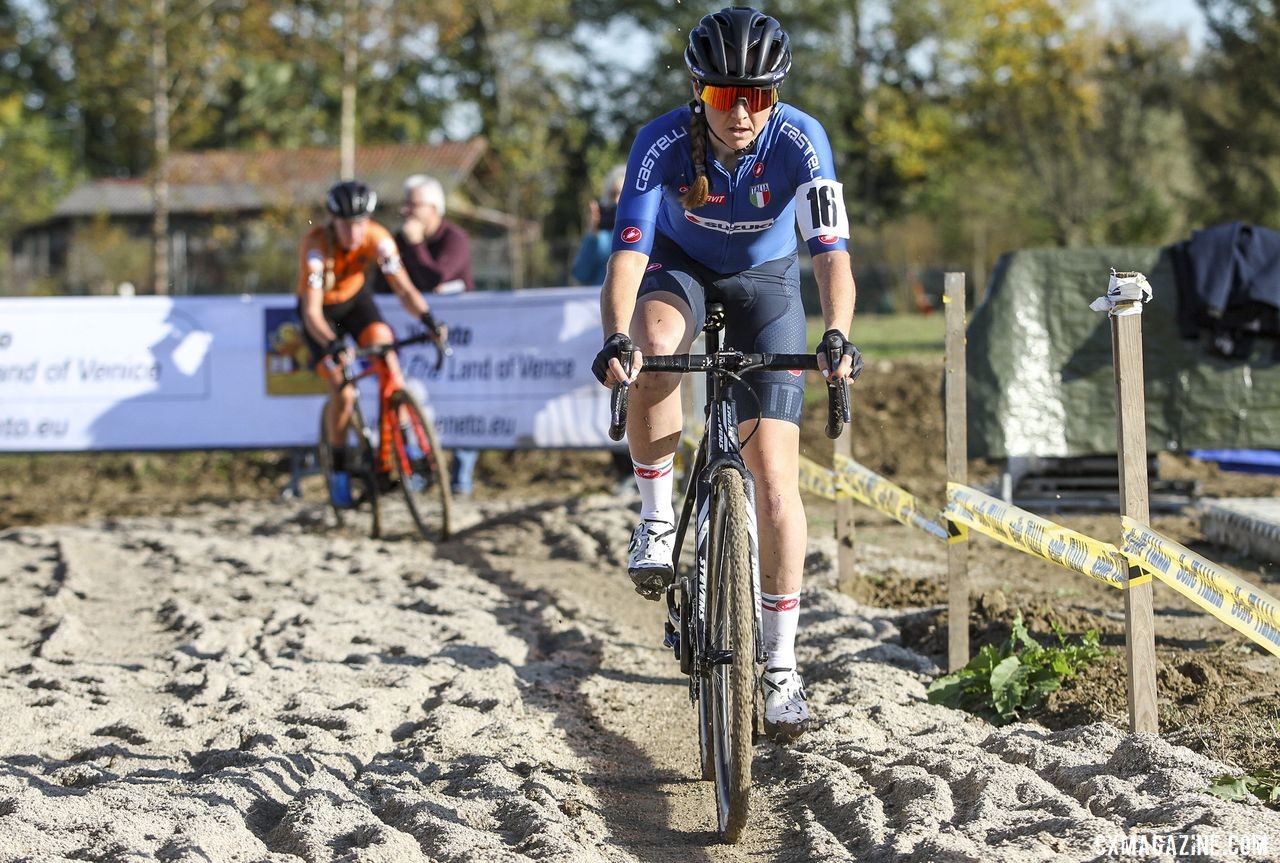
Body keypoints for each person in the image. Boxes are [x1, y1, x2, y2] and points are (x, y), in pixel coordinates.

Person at [590, 6, 862, 743]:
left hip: (767, 283)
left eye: (757, 96)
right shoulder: (661, 143)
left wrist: (837, 331)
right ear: (698, 92)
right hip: (681, 273)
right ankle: (654, 518)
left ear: (775, 96)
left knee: (776, 481)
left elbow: (831, 254)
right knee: (650, 345)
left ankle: (779, 668)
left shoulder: (803, 141)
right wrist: (616, 335)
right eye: (721, 96)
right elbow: (628, 258)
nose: (740, 113)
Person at [298, 179, 445, 508]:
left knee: (387, 352)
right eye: (347, 225)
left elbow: (404, 288)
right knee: (344, 390)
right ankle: (338, 471)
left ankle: (403, 443)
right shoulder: (316, 246)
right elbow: (310, 312)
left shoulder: (379, 239)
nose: (355, 233)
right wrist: (332, 343)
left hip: (355, 303)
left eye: (361, 223)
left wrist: (429, 319)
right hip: (321, 315)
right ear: (333, 222)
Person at [375, 174, 480, 498]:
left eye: (414, 204)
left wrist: (416, 245)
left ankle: (460, 478)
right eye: (404, 203)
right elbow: (383, 284)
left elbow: (437, 275)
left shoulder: (455, 238)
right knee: (412, 400)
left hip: (458, 339)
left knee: (461, 404)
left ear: (434, 208)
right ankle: (421, 470)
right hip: (415, 339)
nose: (406, 211)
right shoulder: (397, 241)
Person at [571, 165, 626, 287]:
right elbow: (581, 275)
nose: (617, 201)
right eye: (613, 194)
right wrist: (592, 235)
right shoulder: (599, 238)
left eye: (623, 194)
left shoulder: (648, 234)